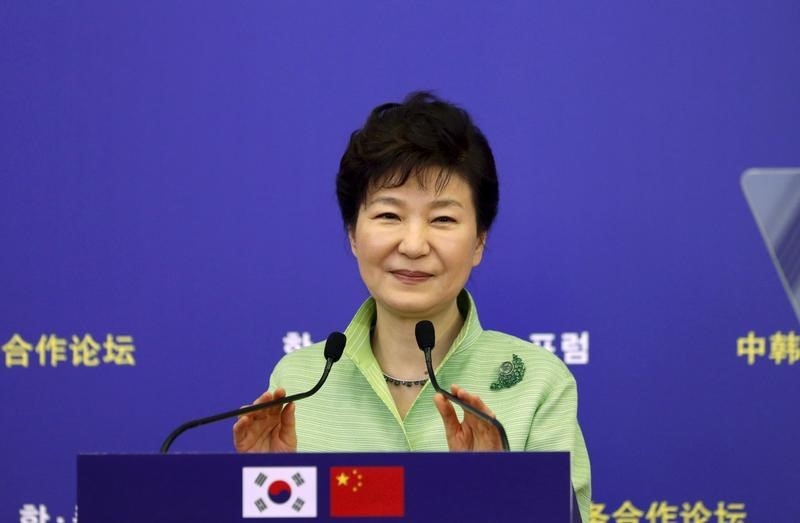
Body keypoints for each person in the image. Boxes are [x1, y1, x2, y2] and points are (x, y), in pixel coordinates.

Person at [233, 91, 591, 521]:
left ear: (479, 241)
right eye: (389, 216)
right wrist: (266, 490)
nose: (414, 244)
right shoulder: (299, 381)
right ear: (352, 233)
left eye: (442, 219)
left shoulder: (537, 383)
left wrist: (497, 492)